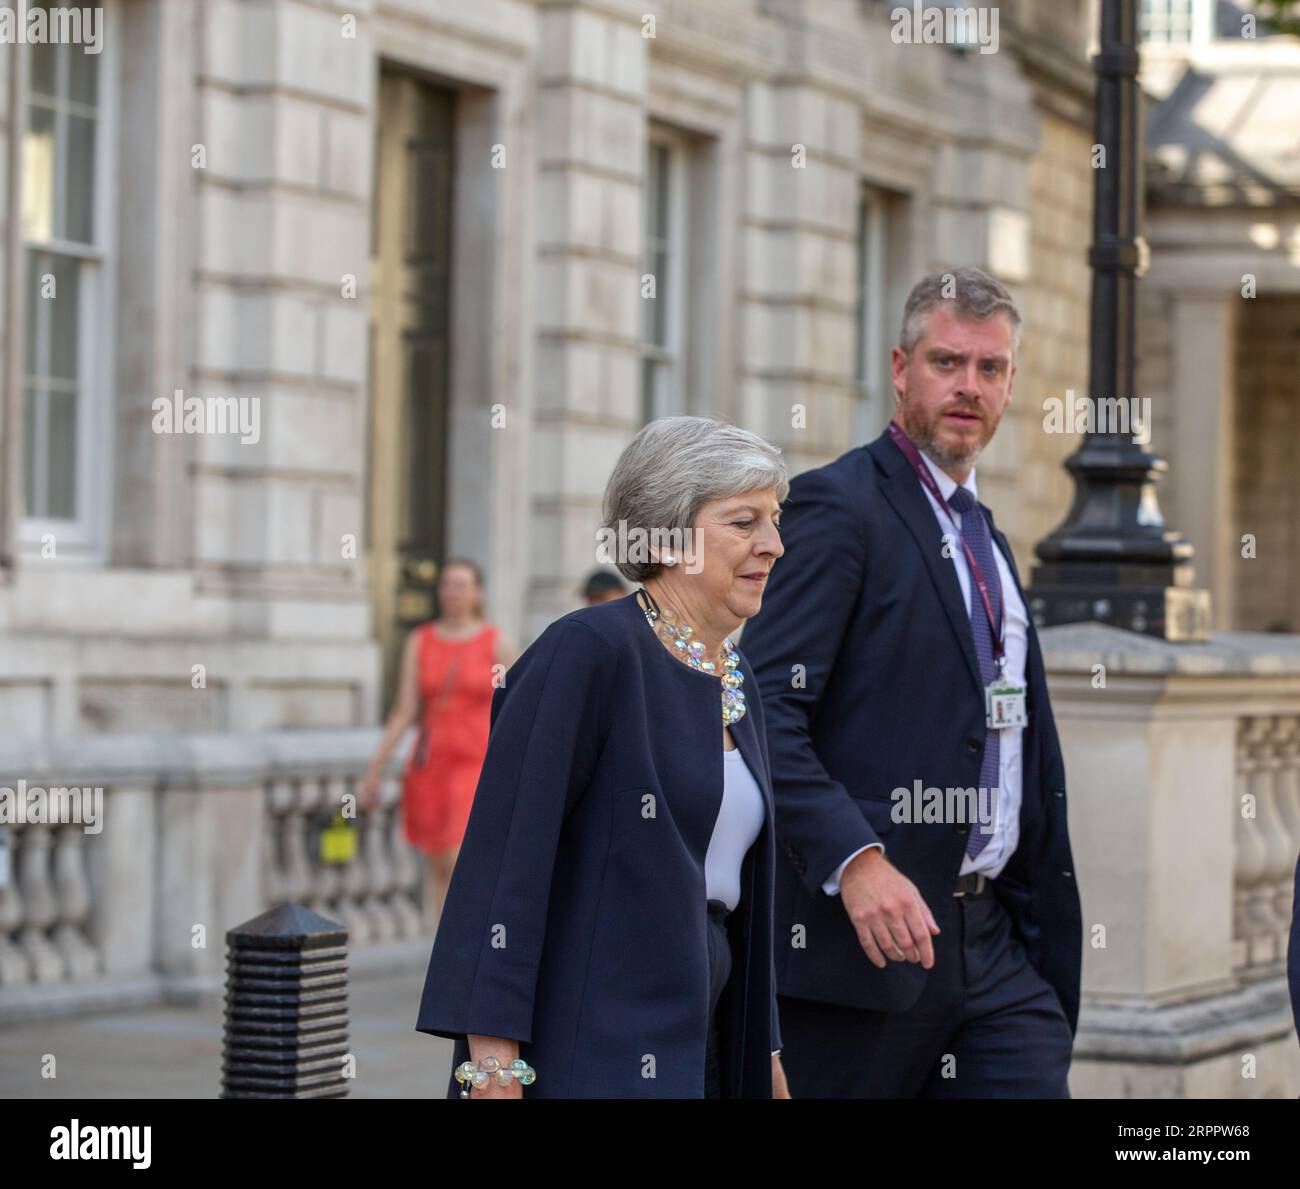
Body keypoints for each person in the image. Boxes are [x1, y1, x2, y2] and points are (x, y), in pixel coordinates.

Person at [741, 267, 1083, 1097]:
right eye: (947, 362)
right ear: (901, 369)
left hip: (993, 948)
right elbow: (759, 706)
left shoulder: (989, 538)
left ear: (1009, 386)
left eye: (990, 368)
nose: (969, 386)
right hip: (859, 956)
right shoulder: (837, 508)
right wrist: (855, 860)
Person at [415, 416, 791, 1098]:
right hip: (594, 1046)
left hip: (705, 1045)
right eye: (745, 522)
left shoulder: (736, 674)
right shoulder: (588, 650)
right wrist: (493, 1066)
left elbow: (739, 896)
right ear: (670, 534)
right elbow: (506, 865)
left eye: (774, 518)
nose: (774, 544)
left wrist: (763, 1053)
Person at [361, 560, 515, 932]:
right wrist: (376, 767)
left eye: (461, 585)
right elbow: (404, 709)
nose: (452, 592)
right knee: (435, 865)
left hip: (477, 762)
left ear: (477, 592)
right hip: (431, 765)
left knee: (458, 855)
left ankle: (463, 943)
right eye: (447, 585)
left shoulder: (496, 641)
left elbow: (517, 705)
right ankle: (442, 946)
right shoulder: (420, 640)